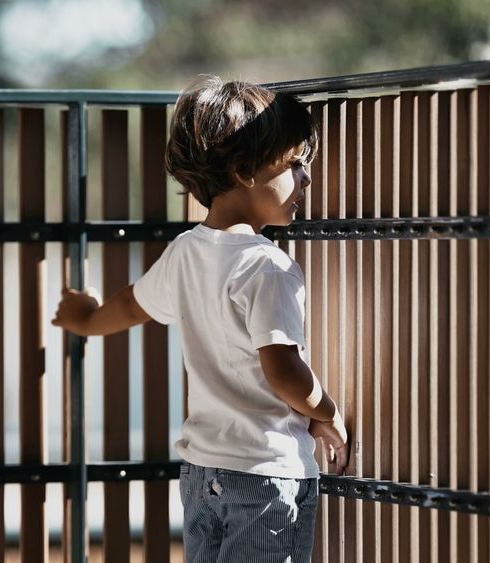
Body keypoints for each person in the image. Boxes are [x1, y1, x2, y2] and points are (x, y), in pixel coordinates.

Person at [51, 76, 349, 562]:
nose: (307, 180)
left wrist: (86, 320)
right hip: (264, 474)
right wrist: (326, 413)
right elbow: (282, 369)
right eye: (295, 165)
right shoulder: (267, 265)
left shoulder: (186, 251)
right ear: (244, 171)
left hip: (200, 471)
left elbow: (129, 306)